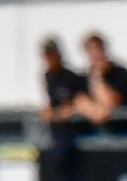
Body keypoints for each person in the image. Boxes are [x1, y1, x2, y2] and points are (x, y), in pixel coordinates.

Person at [38, 37, 88, 181]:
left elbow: (77, 103)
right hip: (55, 130)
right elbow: (51, 101)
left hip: (71, 131)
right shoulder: (48, 76)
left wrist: (62, 112)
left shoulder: (70, 77)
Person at [81, 32, 127, 134]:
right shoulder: (86, 77)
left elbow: (111, 102)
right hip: (109, 133)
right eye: (91, 50)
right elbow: (80, 101)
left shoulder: (120, 73)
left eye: (98, 49)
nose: (95, 54)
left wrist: (97, 77)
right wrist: (93, 112)